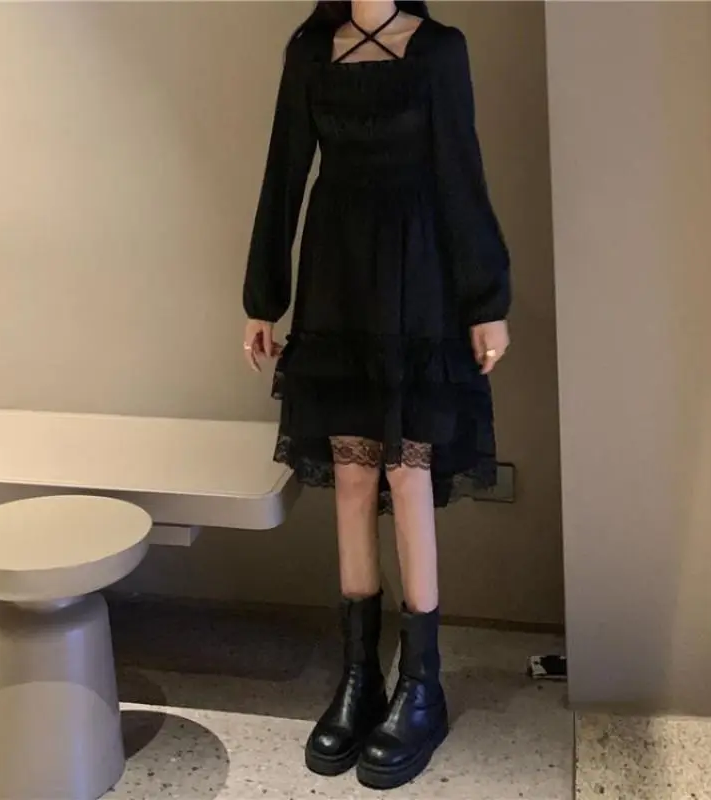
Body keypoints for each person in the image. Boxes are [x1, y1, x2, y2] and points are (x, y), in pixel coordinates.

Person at [242, 0, 510, 789]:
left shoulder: (439, 49)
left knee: (407, 470)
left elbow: (461, 168)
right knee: (353, 472)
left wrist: (487, 300)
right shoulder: (309, 51)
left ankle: (422, 685)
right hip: (338, 273)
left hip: (418, 275)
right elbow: (285, 169)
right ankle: (360, 675)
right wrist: (263, 298)